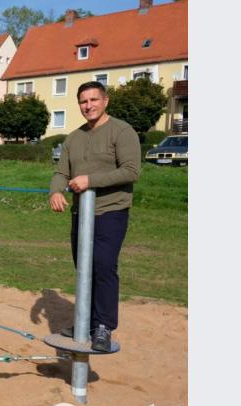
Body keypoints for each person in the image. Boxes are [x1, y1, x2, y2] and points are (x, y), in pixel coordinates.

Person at [49, 81, 141, 352]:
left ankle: (103, 327)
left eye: (93, 100)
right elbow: (61, 173)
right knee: (84, 269)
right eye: (83, 101)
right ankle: (84, 322)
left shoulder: (121, 131)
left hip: (110, 211)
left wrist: (91, 180)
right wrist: (55, 191)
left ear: (105, 101)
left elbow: (131, 171)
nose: (88, 106)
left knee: (103, 266)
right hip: (81, 213)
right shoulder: (74, 138)